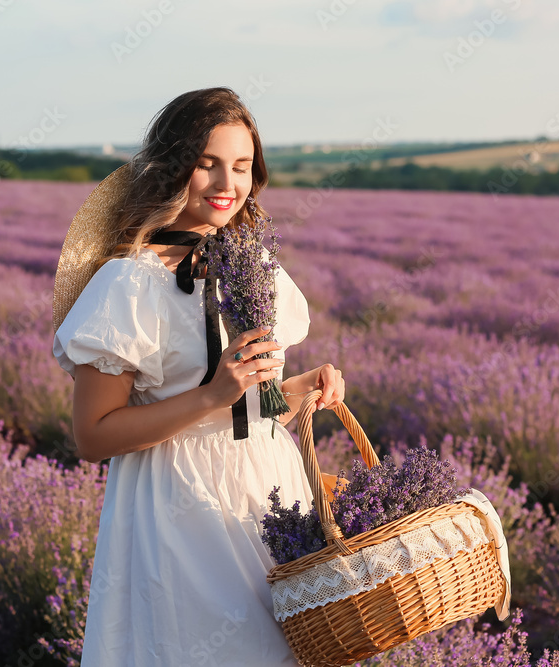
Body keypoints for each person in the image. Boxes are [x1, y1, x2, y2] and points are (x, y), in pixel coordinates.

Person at [51, 87, 345, 666]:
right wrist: (213, 393)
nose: (224, 184)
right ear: (171, 167)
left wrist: (296, 392)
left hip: (271, 499)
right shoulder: (128, 283)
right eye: (206, 164)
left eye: (240, 167)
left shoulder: (256, 269)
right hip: (177, 509)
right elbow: (94, 435)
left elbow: (245, 416)